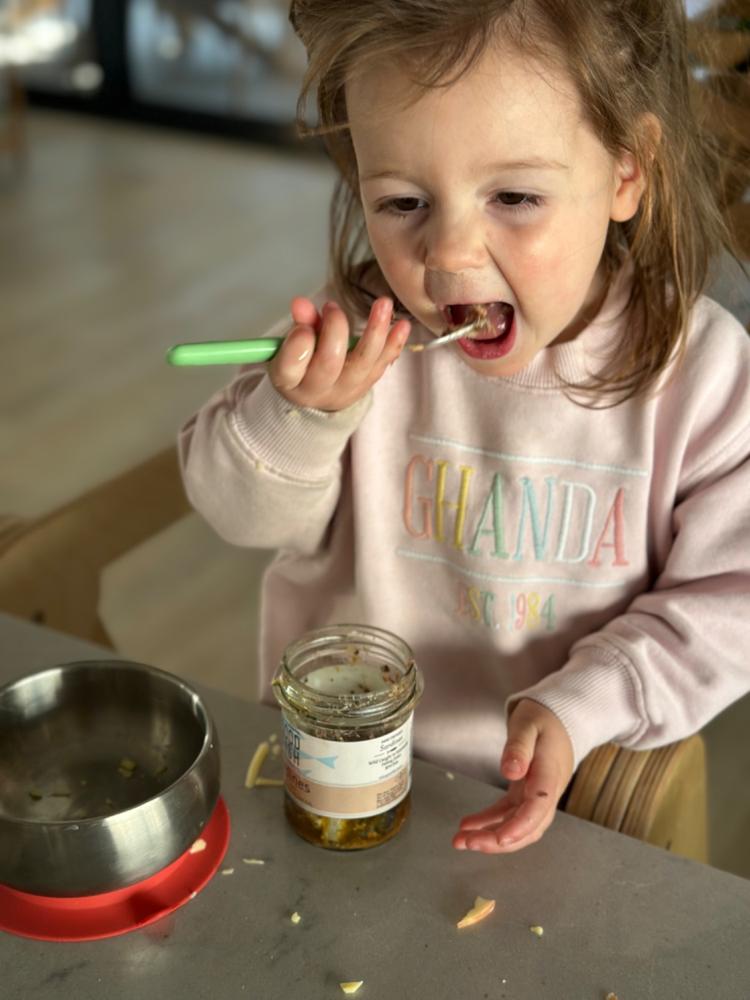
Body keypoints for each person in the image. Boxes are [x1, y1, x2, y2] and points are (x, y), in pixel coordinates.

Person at [178, 0, 750, 855]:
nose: (447, 256)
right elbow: (235, 513)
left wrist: (586, 700)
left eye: (515, 196)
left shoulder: (700, 375)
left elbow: (730, 603)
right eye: (404, 201)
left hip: (573, 798)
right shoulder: (362, 338)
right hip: (333, 770)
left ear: (627, 172)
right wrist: (302, 417)